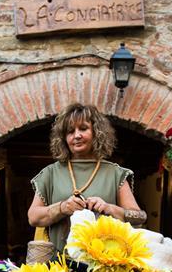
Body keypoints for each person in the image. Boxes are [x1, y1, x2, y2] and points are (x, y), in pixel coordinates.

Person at [28, 103, 146, 252]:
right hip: (59, 267)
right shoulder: (50, 173)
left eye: (83, 129)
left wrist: (109, 208)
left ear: (96, 132)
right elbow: (33, 217)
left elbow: (140, 217)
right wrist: (62, 207)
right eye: (70, 131)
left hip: (106, 266)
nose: (77, 135)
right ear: (64, 138)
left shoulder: (115, 173)